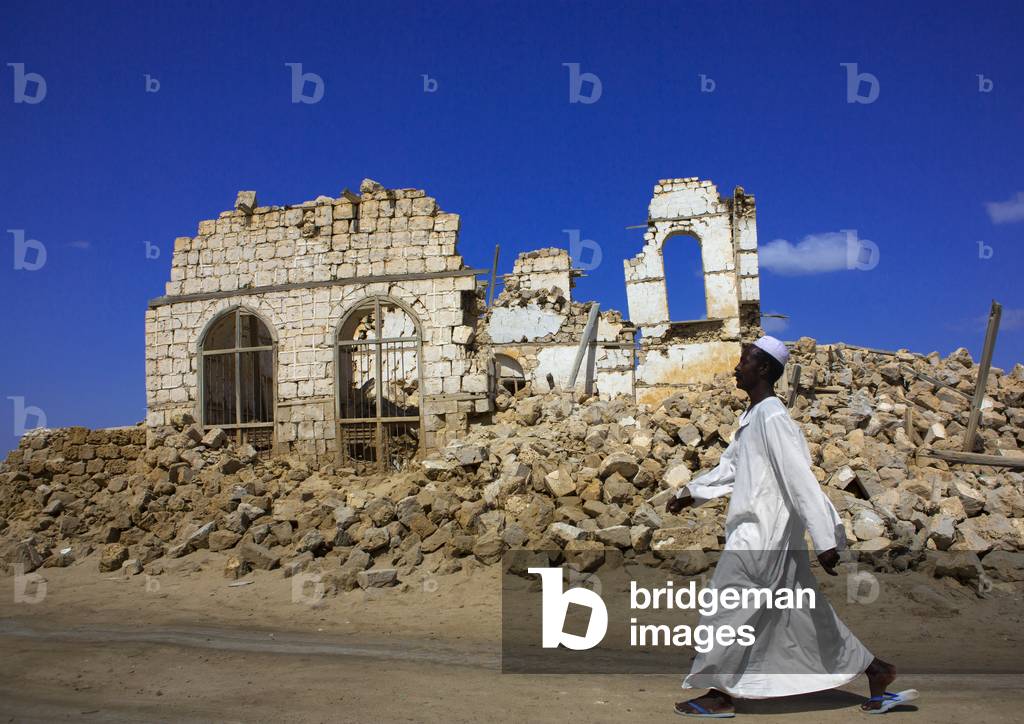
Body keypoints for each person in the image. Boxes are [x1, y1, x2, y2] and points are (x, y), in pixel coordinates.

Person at [666, 336, 919, 717]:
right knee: (804, 613)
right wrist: (693, 493)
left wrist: (825, 537)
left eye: (745, 361)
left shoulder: (773, 417)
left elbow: (799, 477)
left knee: (725, 607)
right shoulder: (753, 419)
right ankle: (876, 670)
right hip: (757, 531)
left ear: (764, 368)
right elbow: (732, 468)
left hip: (763, 536)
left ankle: (719, 694)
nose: (737, 367)